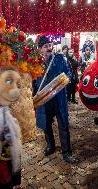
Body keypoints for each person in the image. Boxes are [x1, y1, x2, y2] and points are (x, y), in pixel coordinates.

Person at [34, 35, 78, 164]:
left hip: (59, 98)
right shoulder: (35, 62)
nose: (49, 48)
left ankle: (66, 152)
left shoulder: (59, 58)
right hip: (45, 99)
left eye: (49, 45)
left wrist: (67, 79)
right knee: (46, 124)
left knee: (63, 125)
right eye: (45, 46)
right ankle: (50, 146)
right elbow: (32, 80)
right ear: (39, 49)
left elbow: (68, 72)